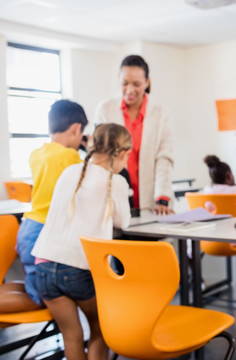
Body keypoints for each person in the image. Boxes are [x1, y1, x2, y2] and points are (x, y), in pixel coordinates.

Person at [31, 123, 132, 360]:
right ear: (124, 154)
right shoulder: (115, 182)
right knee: (99, 329)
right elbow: (123, 222)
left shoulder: (69, 172)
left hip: (43, 264)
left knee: (72, 335)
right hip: (78, 268)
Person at [12, 99, 87, 312]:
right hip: (44, 232)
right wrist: (87, 149)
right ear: (76, 129)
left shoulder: (36, 154)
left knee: (36, 289)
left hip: (27, 227)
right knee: (42, 299)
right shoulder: (71, 158)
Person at [95, 54, 174, 215]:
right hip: (112, 201)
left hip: (150, 202)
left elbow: (164, 158)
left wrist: (162, 198)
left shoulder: (160, 114)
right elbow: (100, 155)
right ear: (118, 79)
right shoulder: (106, 109)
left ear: (147, 82)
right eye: (125, 83)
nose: (130, 90)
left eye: (136, 84)